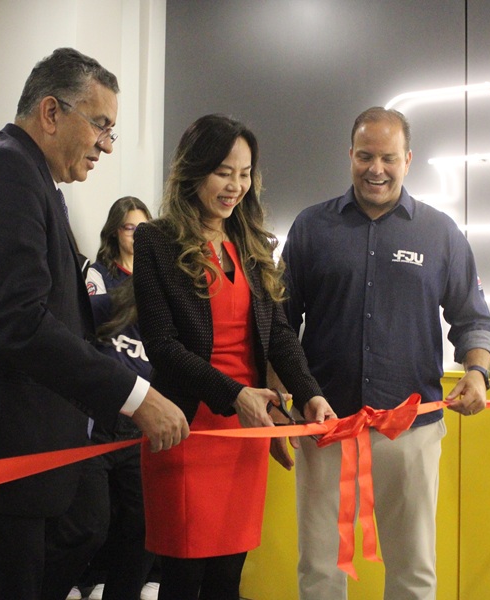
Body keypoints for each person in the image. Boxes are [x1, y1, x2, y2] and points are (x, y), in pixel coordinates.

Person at [0, 48, 189, 600]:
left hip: (16, 465)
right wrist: (135, 396)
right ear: (51, 112)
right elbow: (21, 322)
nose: (106, 143)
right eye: (101, 124)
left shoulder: (30, 179)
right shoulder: (4, 173)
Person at [281, 107, 490, 600]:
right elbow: (280, 325)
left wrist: (478, 373)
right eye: (365, 156)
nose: (375, 168)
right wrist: (279, 395)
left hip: (411, 430)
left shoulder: (439, 233)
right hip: (326, 425)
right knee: (319, 567)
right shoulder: (312, 229)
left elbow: (474, 318)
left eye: (388, 158)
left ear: (408, 160)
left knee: (413, 570)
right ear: (350, 156)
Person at [132, 114, 336, 600]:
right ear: (195, 169)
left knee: (227, 578)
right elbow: (162, 344)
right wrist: (236, 394)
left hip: (245, 432)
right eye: (225, 172)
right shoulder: (155, 240)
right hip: (186, 428)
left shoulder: (250, 244)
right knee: (184, 581)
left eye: (245, 174)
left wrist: (309, 395)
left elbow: (279, 335)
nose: (236, 186)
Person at [69, 197, 159, 600]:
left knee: (141, 525)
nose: (137, 238)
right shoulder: (98, 273)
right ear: (114, 232)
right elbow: (95, 320)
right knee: (90, 524)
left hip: (145, 417)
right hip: (102, 413)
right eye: (129, 229)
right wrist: (144, 292)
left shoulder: (162, 278)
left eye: (145, 230)